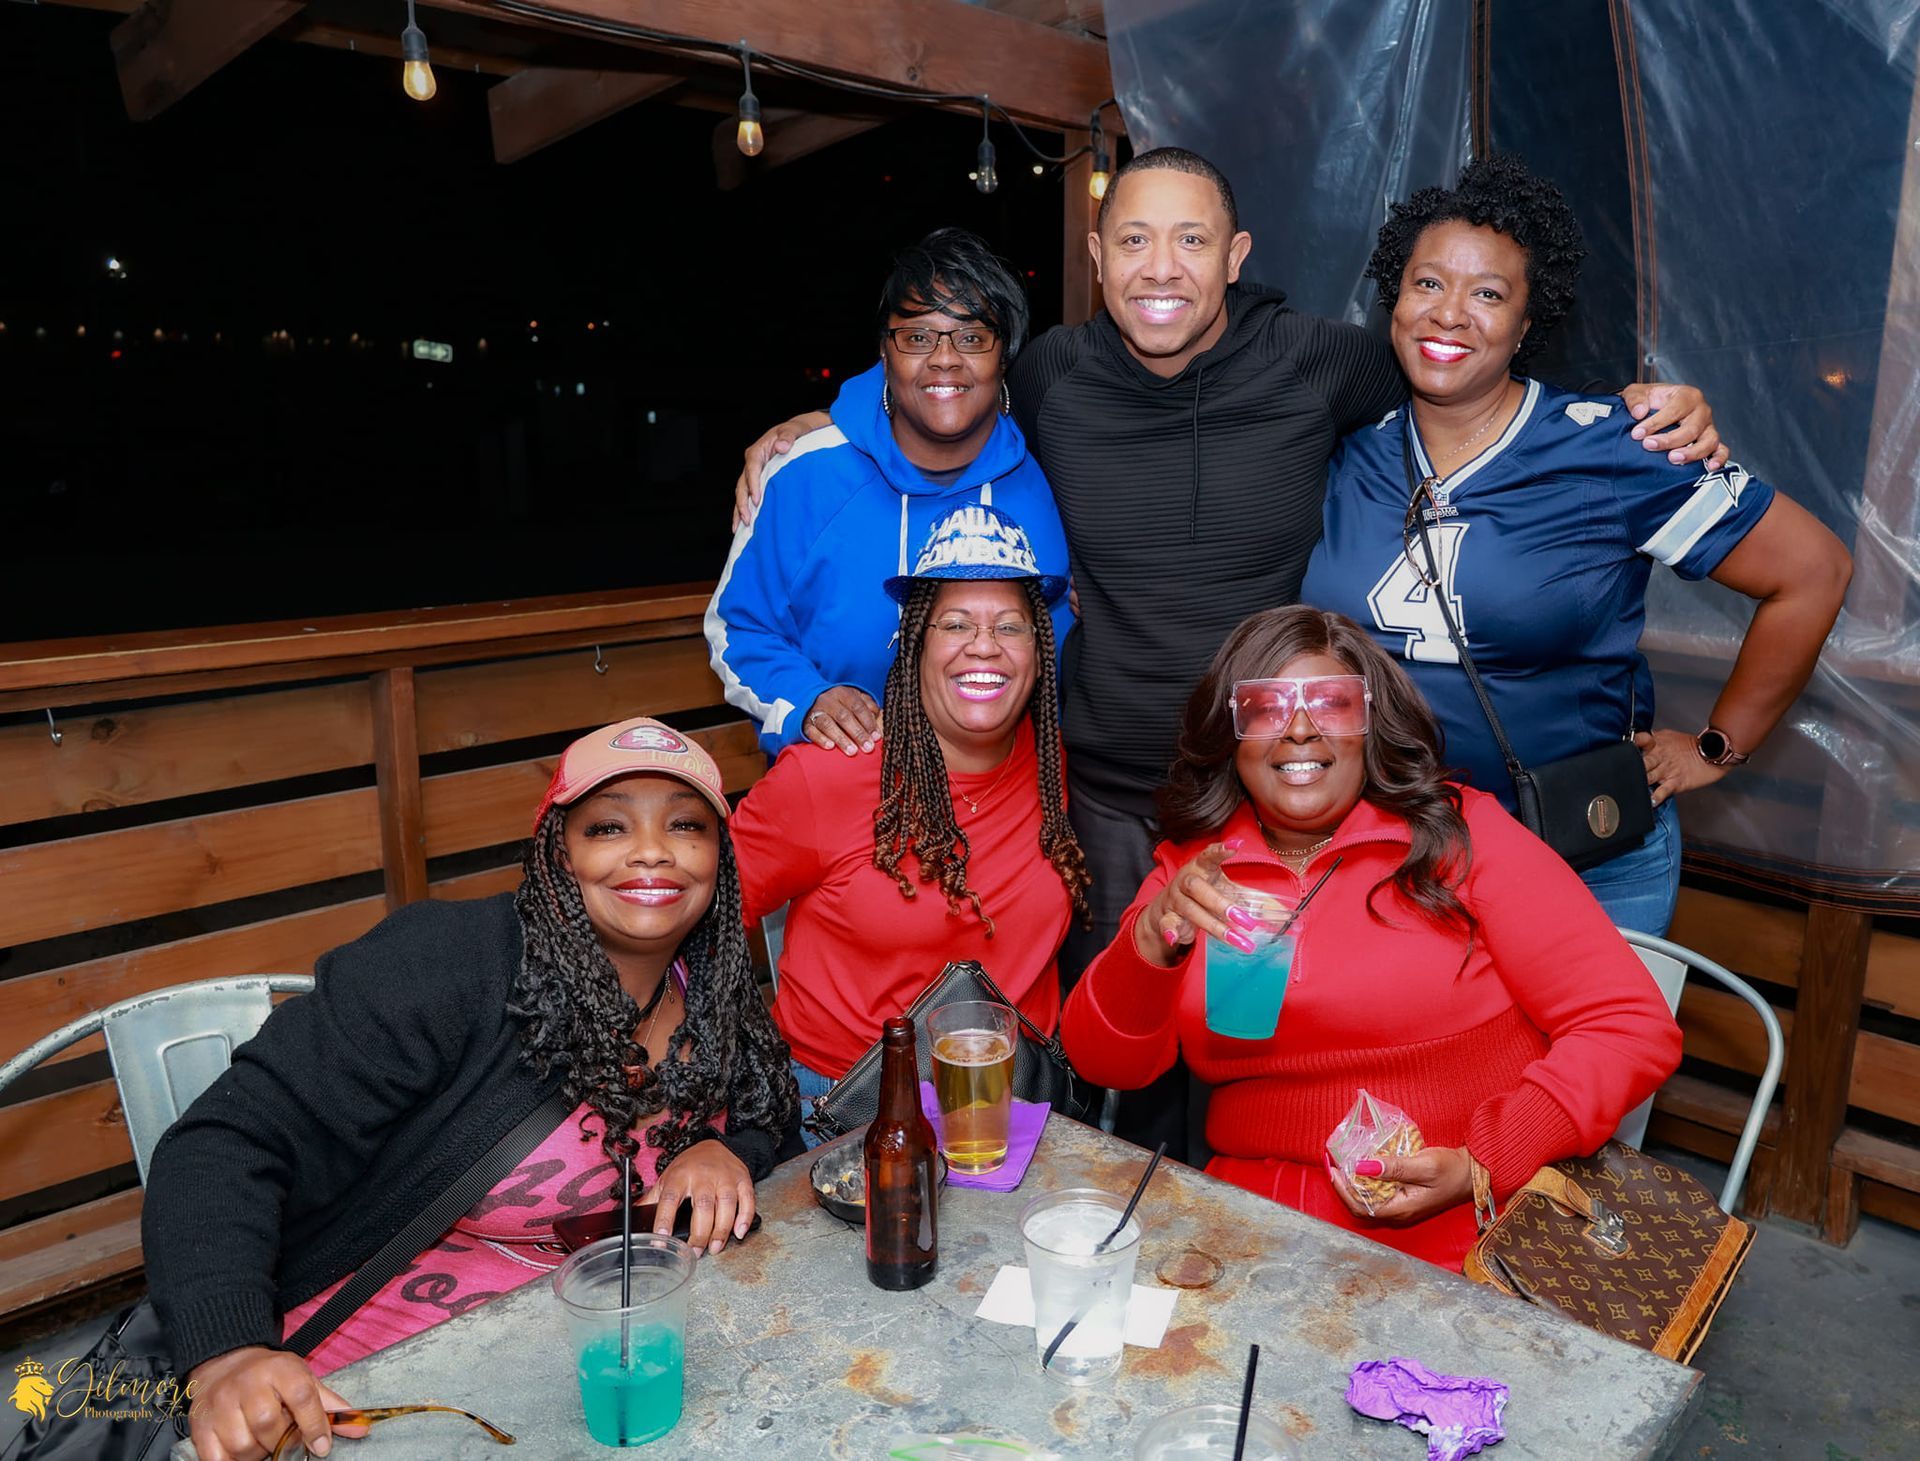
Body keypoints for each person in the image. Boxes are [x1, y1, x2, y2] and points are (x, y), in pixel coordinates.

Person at [732, 147, 1718, 1155]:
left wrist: (1629, 412)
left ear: (1236, 255)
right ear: (1098, 258)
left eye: (1191, 239)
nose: (1162, 266)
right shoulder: (1054, 373)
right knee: (1114, 1056)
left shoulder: (1319, 358)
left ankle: (1251, 1191)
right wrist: (828, 422)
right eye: (1135, 239)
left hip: (1263, 799)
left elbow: (1461, 356)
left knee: (1253, 1047)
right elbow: (945, 378)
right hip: (1102, 797)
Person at [143, 719, 800, 1461]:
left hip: (568, 1370)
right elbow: (225, 1143)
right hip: (351, 1388)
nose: (653, 849)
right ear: (560, 854)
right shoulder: (449, 962)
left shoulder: (714, 987)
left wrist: (719, 1147)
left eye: (685, 825)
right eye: (608, 826)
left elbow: (770, 1117)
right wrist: (226, 1355)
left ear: (719, 856)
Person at [1302, 154, 1852, 934]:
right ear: (1395, 297)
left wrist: (1716, 747)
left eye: (1488, 293)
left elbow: (1814, 570)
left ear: (1527, 323)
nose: (1450, 312)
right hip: (1388, 853)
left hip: (1579, 859)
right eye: (1428, 283)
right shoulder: (1346, 448)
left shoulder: (1615, 449)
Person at [1059, 606, 1683, 1272]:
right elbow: (1105, 1064)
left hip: (1470, 1220)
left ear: (1370, 723)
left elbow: (1629, 1025)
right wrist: (1151, 941)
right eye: (1268, 707)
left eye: (1331, 702)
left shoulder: (1462, 836)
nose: (1300, 727)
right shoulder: (1198, 867)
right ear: (1231, 734)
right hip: (1255, 1218)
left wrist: (1486, 1160)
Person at [730, 506, 1089, 1135]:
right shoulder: (829, 776)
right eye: (956, 624)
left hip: (1016, 1107)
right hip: (844, 1114)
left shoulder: (1053, 764)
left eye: (1010, 626)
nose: (985, 645)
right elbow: (700, 917)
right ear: (915, 643)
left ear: (1040, 651)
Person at [706, 227, 1072, 761]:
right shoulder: (802, 473)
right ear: (885, 350)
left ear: (1005, 355)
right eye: (918, 337)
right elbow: (738, 627)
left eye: (972, 338)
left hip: (1004, 793)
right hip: (840, 785)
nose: (944, 359)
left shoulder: (1048, 482)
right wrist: (806, 699)